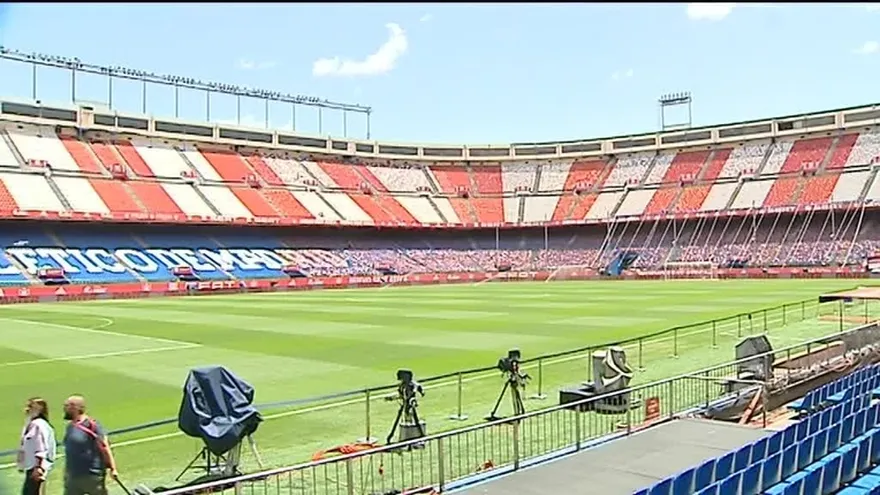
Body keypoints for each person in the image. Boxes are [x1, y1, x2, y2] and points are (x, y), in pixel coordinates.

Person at [62, 396, 119, 495]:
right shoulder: (70, 427)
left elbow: (105, 447)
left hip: (92, 475)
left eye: (66, 406)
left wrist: (113, 469)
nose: (64, 408)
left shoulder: (92, 425)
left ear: (75, 407)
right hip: (72, 476)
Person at [17, 398, 56, 495]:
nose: (26, 409)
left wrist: (38, 467)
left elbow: (41, 447)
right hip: (33, 467)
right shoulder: (32, 424)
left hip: (36, 468)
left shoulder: (38, 425)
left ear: (39, 409)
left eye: (30, 406)